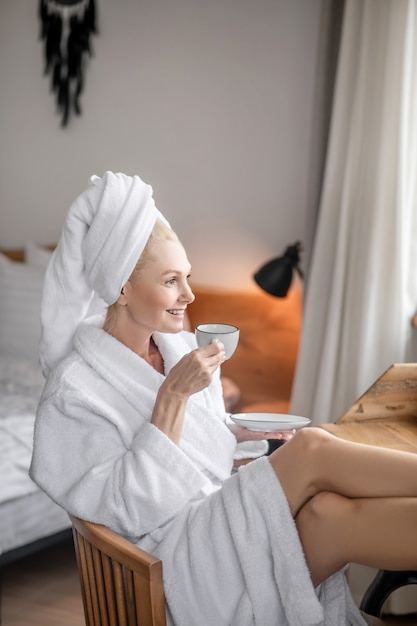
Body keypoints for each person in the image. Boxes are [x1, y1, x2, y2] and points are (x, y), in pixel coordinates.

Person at [30, 172, 417, 626]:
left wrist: (232, 432)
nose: (189, 295)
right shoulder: (75, 391)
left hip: (215, 526)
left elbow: (189, 447)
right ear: (122, 289)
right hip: (170, 562)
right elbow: (128, 511)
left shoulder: (175, 349)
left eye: (188, 277)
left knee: (328, 514)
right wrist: (173, 396)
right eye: (171, 280)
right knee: (313, 447)